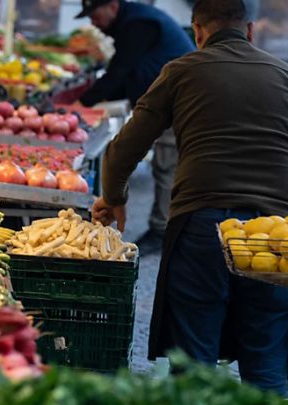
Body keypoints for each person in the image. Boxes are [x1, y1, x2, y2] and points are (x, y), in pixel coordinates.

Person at [92, 0, 288, 396]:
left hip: (202, 227)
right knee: (267, 359)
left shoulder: (182, 70)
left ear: (197, 32)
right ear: (250, 30)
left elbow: (123, 149)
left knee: (194, 359)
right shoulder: (284, 74)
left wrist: (113, 197)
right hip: (274, 237)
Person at [76, 0, 195, 248]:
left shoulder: (138, 24)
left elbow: (122, 68)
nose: (93, 22)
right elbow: (127, 71)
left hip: (176, 100)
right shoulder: (133, 20)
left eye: (95, 14)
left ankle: (162, 231)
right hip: (164, 98)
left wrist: (84, 101)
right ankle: (164, 227)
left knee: (166, 163)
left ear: (112, 6)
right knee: (159, 161)